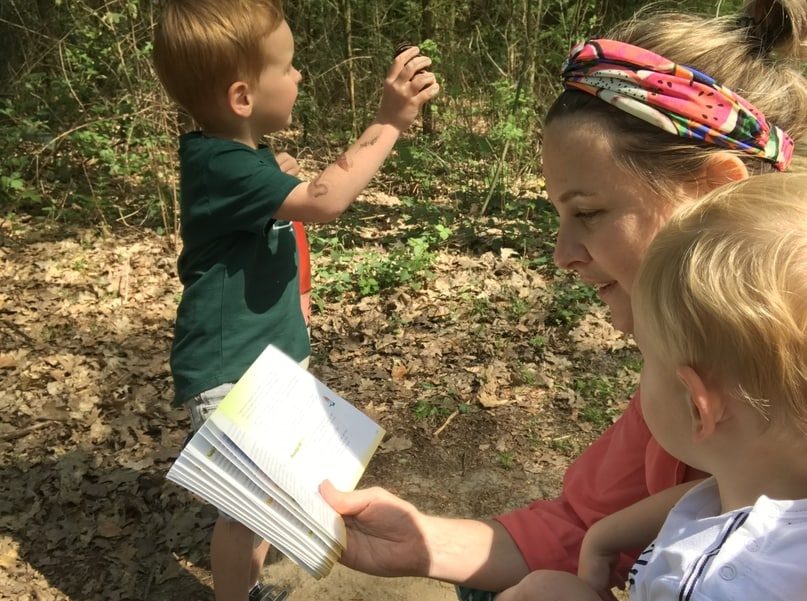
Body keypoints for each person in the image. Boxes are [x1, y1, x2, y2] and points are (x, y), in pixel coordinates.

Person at [318, 1, 807, 599]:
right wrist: (420, 539)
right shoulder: (683, 381)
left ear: (711, 196)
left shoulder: (691, 381)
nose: (562, 253)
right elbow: (581, 526)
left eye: (590, 213)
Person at [152, 1, 439, 600]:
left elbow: (287, 223)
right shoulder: (222, 164)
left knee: (262, 501)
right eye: (287, 67)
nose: (299, 76)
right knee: (246, 511)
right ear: (241, 97)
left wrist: (300, 292)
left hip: (265, 360)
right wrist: (390, 121)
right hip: (232, 372)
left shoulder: (244, 157)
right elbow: (326, 200)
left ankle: (248, 588)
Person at [493, 172, 807, 601]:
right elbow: (709, 493)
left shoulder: (735, 585)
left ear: (699, 408)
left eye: (649, 359)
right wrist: (605, 534)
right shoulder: (764, 481)